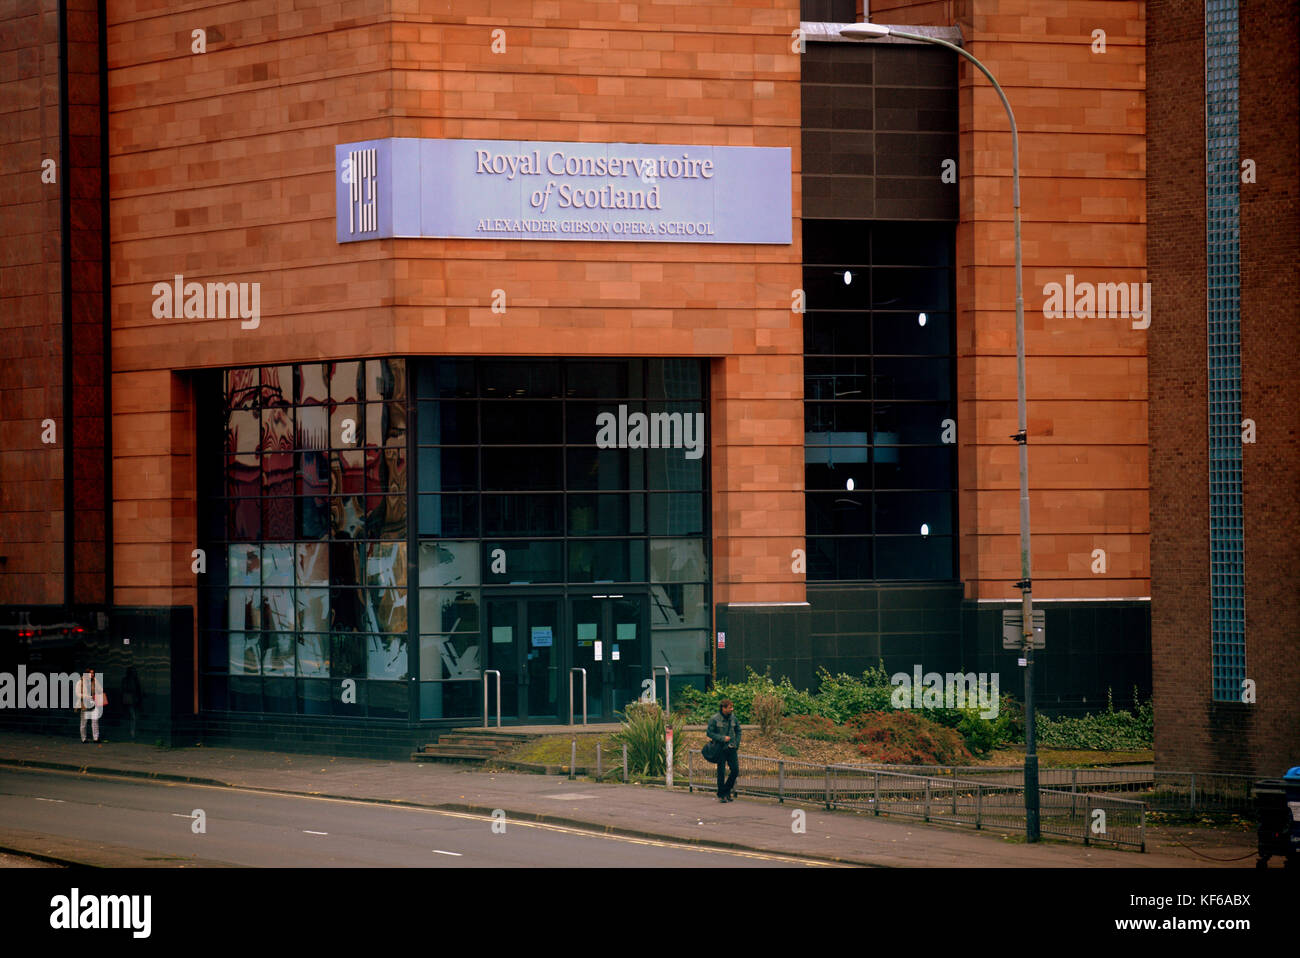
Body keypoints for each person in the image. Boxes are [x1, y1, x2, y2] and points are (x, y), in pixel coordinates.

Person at [707, 698, 742, 802]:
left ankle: (725, 791)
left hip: (732, 748)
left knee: (735, 770)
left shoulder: (733, 718)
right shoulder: (714, 719)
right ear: (723, 708)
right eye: (730, 707)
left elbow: (739, 730)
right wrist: (722, 738)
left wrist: (736, 743)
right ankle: (722, 795)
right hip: (720, 748)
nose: (732, 709)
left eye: (732, 707)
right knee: (721, 772)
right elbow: (709, 733)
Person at [75, 669, 107, 743]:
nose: (92, 675)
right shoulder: (80, 682)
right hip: (84, 704)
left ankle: (96, 738)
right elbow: (78, 694)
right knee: (84, 722)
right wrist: (89, 697)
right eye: (90, 673)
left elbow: (101, 689)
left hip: (94, 703)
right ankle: (84, 738)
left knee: (95, 721)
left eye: (93, 673)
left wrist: (96, 684)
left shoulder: (94, 681)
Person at [121, 666, 142, 741]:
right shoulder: (129, 680)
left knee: (133, 716)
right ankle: (132, 732)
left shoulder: (134, 680)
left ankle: (132, 731)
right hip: (130, 700)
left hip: (132, 700)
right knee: (133, 716)